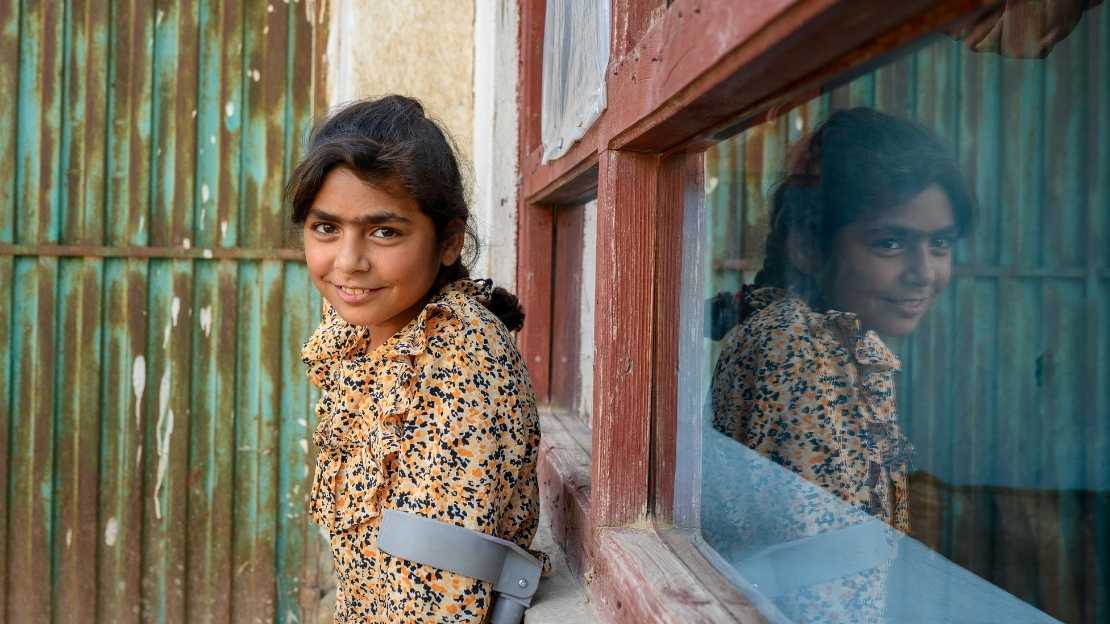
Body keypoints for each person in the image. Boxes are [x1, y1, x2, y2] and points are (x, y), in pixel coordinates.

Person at [709, 107, 975, 620]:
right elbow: (824, 587)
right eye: (891, 243)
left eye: (940, 243)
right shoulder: (801, 356)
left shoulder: (808, 337)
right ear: (809, 245)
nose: (924, 273)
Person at [287, 95, 542, 623]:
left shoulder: (459, 365)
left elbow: (433, 602)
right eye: (326, 228)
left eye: (385, 232)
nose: (349, 262)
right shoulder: (359, 334)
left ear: (448, 241)